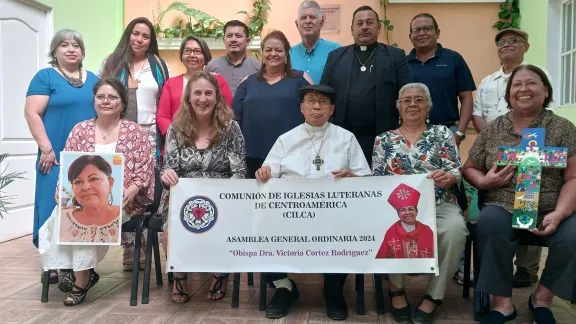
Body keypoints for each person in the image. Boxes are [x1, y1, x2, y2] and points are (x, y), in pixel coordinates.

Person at [463, 64, 576, 324]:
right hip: (502, 202)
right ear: (509, 93)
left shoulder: (563, 128)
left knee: (572, 234)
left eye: (531, 83)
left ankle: (542, 299)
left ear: (545, 90)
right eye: (516, 84)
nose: (523, 89)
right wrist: (484, 181)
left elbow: (573, 177)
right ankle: (502, 305)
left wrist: (559, 213)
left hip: (551, 204)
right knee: (490, 225)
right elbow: (469, 167)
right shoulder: (493, 129)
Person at [255, 84, 371, 320]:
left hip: (335, 215)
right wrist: (264, 172)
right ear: (301, 108)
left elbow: (366, 180)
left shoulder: (346, 138)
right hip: (291, 214)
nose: (316, 106)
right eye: (310, 101)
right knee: (260, 229)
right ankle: (284, 287)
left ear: (331, 109)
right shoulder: (285, 140)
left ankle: (333, 290)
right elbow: (267, 173)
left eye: (323, 102)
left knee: (348, 231)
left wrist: (353, 178)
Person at [38, 78, 155, 306]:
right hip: (81, 199)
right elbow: (67, 167)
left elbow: (145, 169)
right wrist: (60, 192)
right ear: (94, 100)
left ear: (122, 102)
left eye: (112, 97)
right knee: (59, 218)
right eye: (101, 97)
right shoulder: (80, 130)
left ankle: (80, 281)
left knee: (89, 219)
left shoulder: (134, 131)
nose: (106, 101)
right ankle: (81, 272)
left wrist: (131, 189)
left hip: (123, 200)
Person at [372, 83, 467, 324]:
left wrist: (451, 177)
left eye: (419, 100)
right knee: (387, 225)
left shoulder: (442, 134)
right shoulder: (384, 140)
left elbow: (455, 168)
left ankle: (434, 296)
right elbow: (377, 179)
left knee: (455, 229)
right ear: (399, 107)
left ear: (428, 106)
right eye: (406, 100)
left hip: (439, 202)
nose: (412, 104)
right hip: (396, 207)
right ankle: (396, 289)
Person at [159, 71, 247, 303]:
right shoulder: (176, 129)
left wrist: (224, 195)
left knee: (222, 225)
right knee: (169, 232)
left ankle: (220, 273)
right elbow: (168, 168)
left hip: (223, 198)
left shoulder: (230, 128)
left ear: (217, 98)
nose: (203, 98)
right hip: (183, 198)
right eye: (197, 93)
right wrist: (166, 175)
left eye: (209, 93)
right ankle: (180, 276)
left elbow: (239, 171)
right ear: (189, 98)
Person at [471, 28, 549, 288]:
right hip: (493, 150)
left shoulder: (537, 76)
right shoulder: (487, 81)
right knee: (496, 207)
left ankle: (527, 268)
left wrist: (520, 145)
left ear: (526, 46)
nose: (506, 45)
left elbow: (541, 113)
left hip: (532, 148)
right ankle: (498, 268)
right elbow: (478, 114)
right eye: (501, 42)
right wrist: (496, 140)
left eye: (513, 41)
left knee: (530, 200)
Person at [24, 29, 98, 285]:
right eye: (64, 45)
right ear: (55, 50)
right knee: (51, 206)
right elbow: (32, 113)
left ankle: (78, 264)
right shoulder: (45, 77)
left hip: (85, 156)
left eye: (76, 45)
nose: (71, 49)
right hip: (53, 154)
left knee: (79, 207)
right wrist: (46, 148)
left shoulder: (93, 79)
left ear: (82, 51)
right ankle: (52, 263)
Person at [98, 17, 169, 270]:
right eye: (136, 34)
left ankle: (150, 245)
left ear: (151, 41)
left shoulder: (159, 65)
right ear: (128, 35)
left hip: (151, 134)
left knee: (148, 189)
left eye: (145, 36)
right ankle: (130, 249)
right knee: (123, 186)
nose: (139, 39)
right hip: (120, 133)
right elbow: (100, 95)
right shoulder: (111, 61)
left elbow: (166, 98)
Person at [320, 5, 412, 164]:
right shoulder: (335, 57)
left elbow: (407, 95)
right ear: (352, 29)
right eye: (359, 23)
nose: (364, 27)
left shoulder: (396, 56)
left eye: (369, 22)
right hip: (342, 137)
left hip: (383, 138)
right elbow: (324, 95)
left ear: (378, 27)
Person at [232, 30, 313, 180]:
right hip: (252, 156)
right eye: (268, 50)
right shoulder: (247, 82)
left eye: (278, 50)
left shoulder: (301, 79)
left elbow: (315, 113)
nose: (273, 54)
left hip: (292, 155)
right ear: (262, 53)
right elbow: (234, 121)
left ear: (286, 54)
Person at [406, 13, 475, 147]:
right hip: (411, 133)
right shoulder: (403, 63)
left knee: (446, 169)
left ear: (437, 33)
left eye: (427, 28)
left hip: (447, 132)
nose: (422, 33)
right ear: (410, 36)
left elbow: (466, 98)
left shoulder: (454, 59)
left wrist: (459, 133)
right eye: (416, 30)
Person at [157, 36, 233, 146]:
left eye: (197, 51)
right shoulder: (171, 83)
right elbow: (162, 117)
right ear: (182, 56)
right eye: (187, 51)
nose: (192, 55)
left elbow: (226, 113)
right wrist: (176, 136)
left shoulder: (218, 81)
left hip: (212, 142)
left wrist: (210, 136)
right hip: (177, 144)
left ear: (205, 56)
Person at [58, 155, 120, 243]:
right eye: (78, 182)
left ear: (110, 183)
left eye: (93, 179)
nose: (85, 187)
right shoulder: (62, 219)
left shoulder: (123, 217)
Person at [376, 184, 434, 259]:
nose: (407, 213)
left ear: (416, 212)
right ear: (398, 214)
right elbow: (381, 259)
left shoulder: (427, 230)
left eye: (410, 209)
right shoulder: (391, 232)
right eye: (403, 210)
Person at [290, 0, 341, 84]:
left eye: (312, 17)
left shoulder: (336, 51)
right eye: (303, 18)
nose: (308, 21)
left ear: (321, 23)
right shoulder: (289, 54)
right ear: (297, 24)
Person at [205, 20, 260, 96]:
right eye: (229, 36)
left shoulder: (259, 68)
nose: (233, 40)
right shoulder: (211, 67)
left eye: (238, 36)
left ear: (247, 41)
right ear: (224, 40)